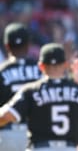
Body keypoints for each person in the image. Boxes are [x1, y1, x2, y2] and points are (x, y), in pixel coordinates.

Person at [0, 43, 78, 151]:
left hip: (40, 147)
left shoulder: (31, 91)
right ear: (66, 64)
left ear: (41, 66)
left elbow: (4, 116)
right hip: (70, 148)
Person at [0, 22, 42, 151]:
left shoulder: (2, 70)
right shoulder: (41, 69)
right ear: (28, 44)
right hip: (36, 134)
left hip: (7, 132)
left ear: (7, 46)